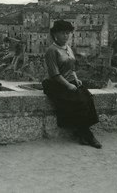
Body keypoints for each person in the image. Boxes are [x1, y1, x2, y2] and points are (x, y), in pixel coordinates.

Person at [42, 20, 102, 149]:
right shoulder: (51, 51)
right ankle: (87, 135)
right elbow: (55, 74)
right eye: (63, 33)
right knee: (78, 102)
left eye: (68, 33)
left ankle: (82, 132)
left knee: (88, 98)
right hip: (55, 84)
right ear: (55, 34)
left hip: (70, 80)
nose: (66, 36)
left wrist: (76, 79)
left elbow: (71, 67)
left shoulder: (68, 48)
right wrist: (68, 86)